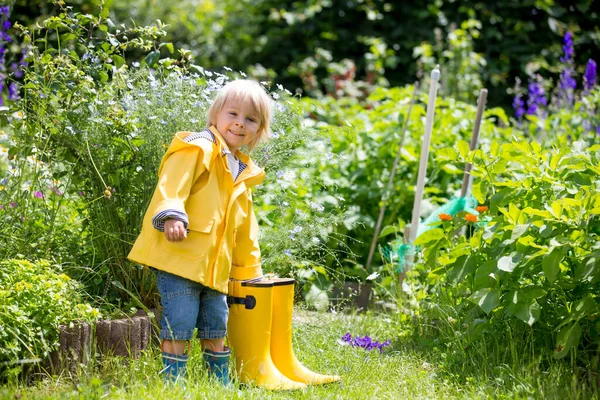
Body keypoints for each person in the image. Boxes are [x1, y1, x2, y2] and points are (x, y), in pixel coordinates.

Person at [128, 79, 272, 385]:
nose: (239, 123)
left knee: (216, 324)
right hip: (180, 257)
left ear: (259, 130)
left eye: (250, 119)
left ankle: (218, 380)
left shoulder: (242, 170)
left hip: (215, 268)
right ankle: (173, 381)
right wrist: (171, 215)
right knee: (179, 321)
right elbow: (173, 182)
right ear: (215, 114)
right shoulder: (198, 147)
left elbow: (245, 227)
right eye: (233, 113)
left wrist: (249, 270)